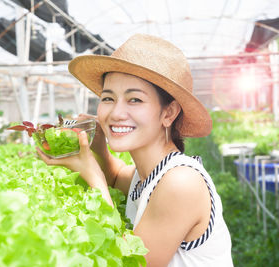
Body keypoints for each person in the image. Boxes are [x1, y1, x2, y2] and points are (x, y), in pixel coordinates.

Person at [37, 34, 233, 267]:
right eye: (108, 98)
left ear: (168, 113)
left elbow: (131, 262)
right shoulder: (148, 175)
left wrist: (90, 172)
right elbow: (117, 174)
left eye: (135, 100)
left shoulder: (180, 182)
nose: (116, 113)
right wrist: (98, 148)